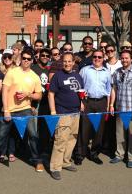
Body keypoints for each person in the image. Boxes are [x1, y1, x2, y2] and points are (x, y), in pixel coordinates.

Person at [0, 50, 43, 172]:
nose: (26, 60)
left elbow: (39, 95)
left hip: (25, 110)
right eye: (24, 58)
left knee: (33, 135)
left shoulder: (34, 76)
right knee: (1, 135)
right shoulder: (12, 72)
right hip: (9, 109)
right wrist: (6, 109)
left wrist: (28, 94)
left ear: (32, 60)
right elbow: (5, 91)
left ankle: (37, 160)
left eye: (29, 59)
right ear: (20, 59)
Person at [48, 52, 84, 180]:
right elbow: (51, 94)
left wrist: (82, 103)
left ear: (74, 62)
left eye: (69, 61)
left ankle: (65, 161)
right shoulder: (58, 76)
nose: (67, 64)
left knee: (71, 138)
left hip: (76, 113)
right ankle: (55, 167)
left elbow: (81, 93)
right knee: (60, 140)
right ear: (62, 62)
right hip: (63, 112)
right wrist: (53, 111)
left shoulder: (78, 76)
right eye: (65, 61)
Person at [74, 50, 111, 165]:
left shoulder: (107, 72)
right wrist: (81, 102)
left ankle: (94, 153)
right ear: (92, 58)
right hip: (87, 102)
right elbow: (79, 86)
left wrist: (108, 106)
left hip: (101, 102)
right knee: (84, 129)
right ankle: (80, 154)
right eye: (95, 56)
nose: (97, 59)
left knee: (99, 130)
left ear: (103, 58)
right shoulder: (85, 70)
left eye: (100, 57)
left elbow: (108, 91)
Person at [109, 50, 132, 168]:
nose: (124, 60)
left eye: (126, 58)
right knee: (119, 134)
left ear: (131, 59)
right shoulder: (117, 73)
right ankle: (119, 155)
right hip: (120, 108)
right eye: (122, 58)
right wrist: (111, 105)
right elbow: (114, 89)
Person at [0, 49, 18, 161]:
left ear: (13, 58)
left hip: (15, 103)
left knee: (13, 129)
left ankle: (11, 152)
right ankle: (2, 151)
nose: (7, 59)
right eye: (5, 57)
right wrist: (9, 91)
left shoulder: (17, 70)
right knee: (3, 129)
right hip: (2, 103)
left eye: (9, 56)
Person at [31, 48, 52, 157]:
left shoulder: (49, 69)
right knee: (33, 130)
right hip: (35, 102)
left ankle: (42, 151)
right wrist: (31, 104)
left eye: (47, 56)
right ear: (39, 56)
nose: (44, 57)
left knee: (44, 128)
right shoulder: (33, 68)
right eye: (42, 55)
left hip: (46, 102)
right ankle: (33, 153)